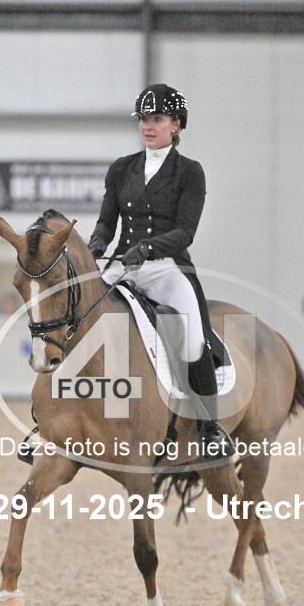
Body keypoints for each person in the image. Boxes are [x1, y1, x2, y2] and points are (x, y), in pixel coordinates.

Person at [88, 83, 234, 458]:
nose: (147, 126)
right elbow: (107, 221)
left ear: (176, 125)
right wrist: (97, 244)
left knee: (192, 338)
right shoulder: (121, 169)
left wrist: (149, 248)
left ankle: (209, 427)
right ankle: (49, 419)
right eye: (143, 119)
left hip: (166, 269)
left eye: (157, 119)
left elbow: (186, 231)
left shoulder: (190, 172)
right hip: (123, 265)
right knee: (80, 317)